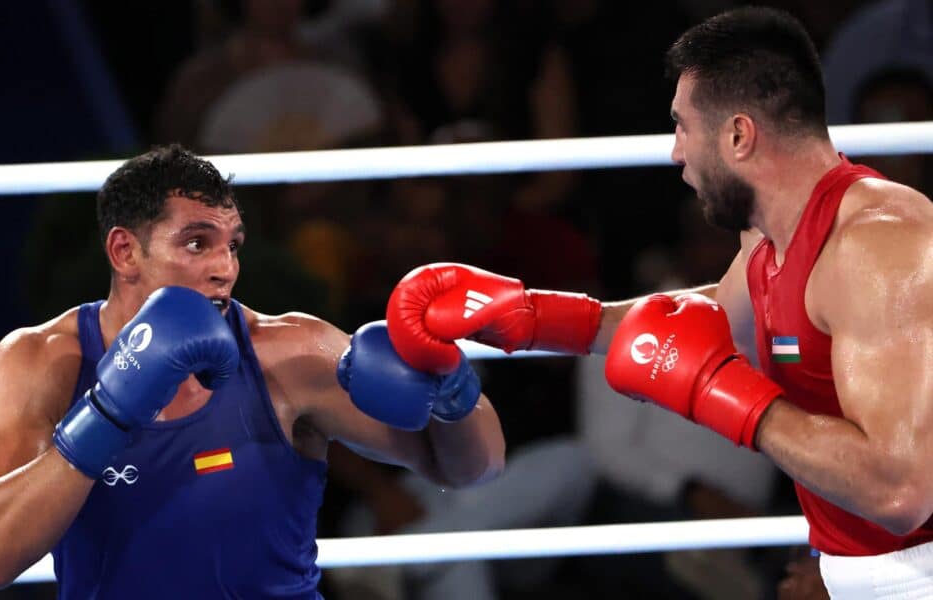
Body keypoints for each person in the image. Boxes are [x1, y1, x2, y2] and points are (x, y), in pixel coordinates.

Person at [382, 7, 933, 598]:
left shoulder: (878, 247)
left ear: (739, 136)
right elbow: (702, 323)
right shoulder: (773, 241)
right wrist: (539, 318)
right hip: (863, 565)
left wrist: (728, 399)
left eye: (681, 126)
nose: (674, 153)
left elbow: (899, 492)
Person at [0, 145, 505, 597]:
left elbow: (468, 469)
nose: (224, 269)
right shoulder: (43, 360)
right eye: (198, 243)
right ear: (124, 252)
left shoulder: (289, 354)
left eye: (232, 245)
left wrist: (454, 393)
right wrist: (108, 410)